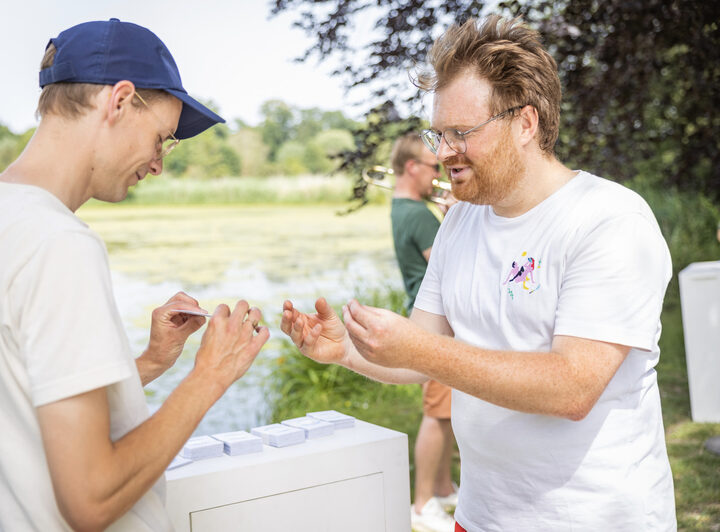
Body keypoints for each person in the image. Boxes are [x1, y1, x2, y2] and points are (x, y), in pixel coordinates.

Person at [282, 15, 676, 531]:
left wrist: (421, 350)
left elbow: (573, 388)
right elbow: (424, 351)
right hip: (482, 516)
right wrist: (346, 352)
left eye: (461, 133)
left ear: (525, 123)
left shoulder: (609, 220)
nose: (443, 152)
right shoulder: (462, 219)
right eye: (438, 133)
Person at [0, 19, 269, 531]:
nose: (158, 165)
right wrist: (210, 375)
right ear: (119, 101)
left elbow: (30, 399)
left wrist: (153, 361)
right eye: (161, 138)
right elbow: (90, 500)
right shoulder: (59, 245)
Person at [388, 133, 459, 532]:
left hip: (431, 319)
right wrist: (455, 218)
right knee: (437, 414)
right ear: (412, 168)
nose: (439, 174)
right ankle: (422, 504)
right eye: (433, 167)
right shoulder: (417, 214)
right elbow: (448, 263)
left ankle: (445, 488)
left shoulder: (402, 207)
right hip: (436, 324)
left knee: (447, 411)